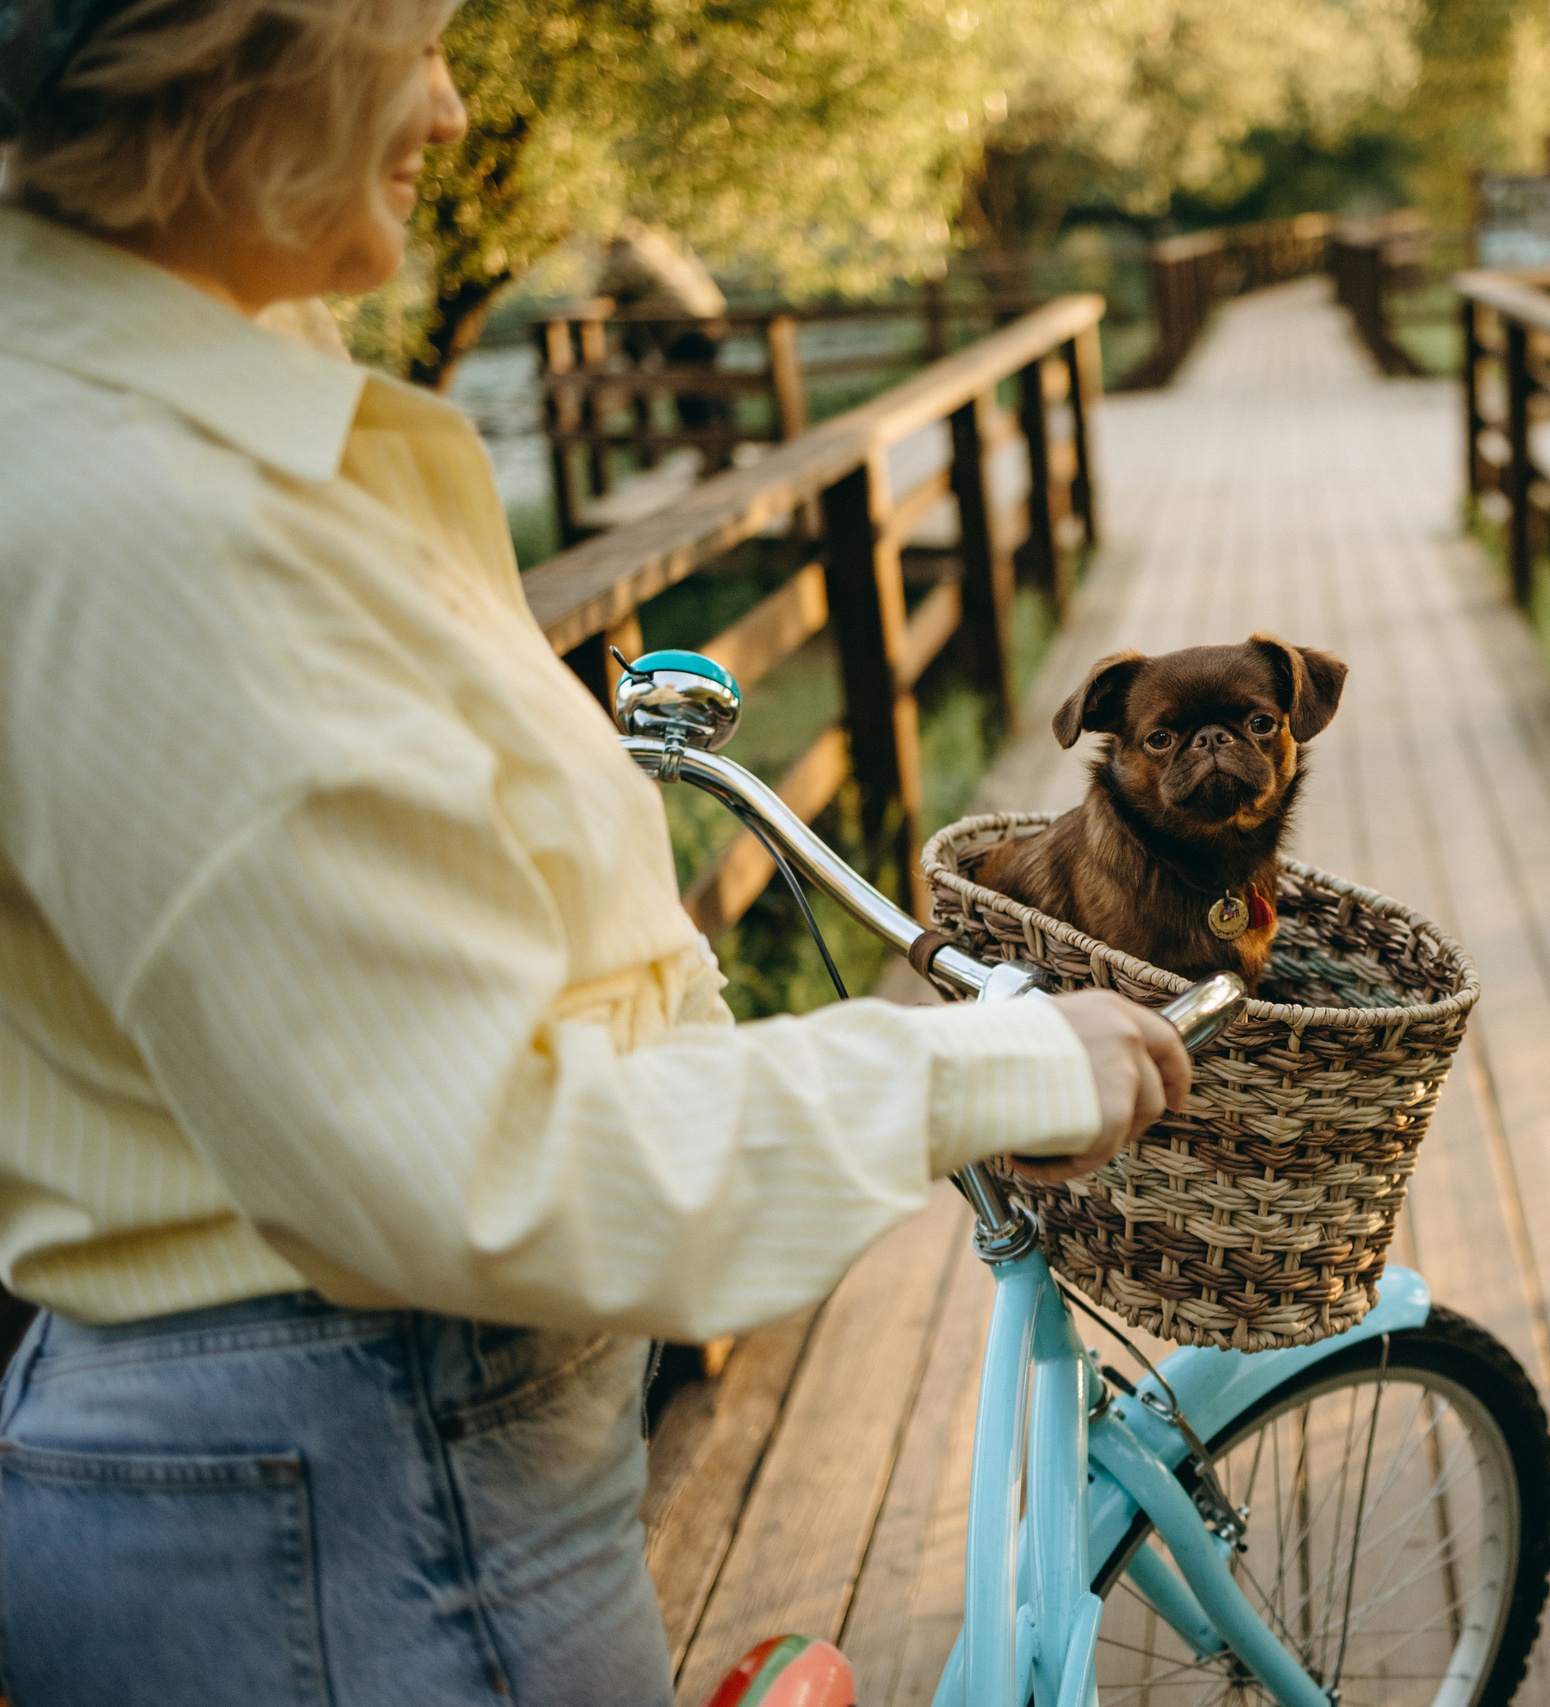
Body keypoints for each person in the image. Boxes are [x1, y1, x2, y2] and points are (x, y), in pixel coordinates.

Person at [0, 3, 1188, 1701]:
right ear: (232, 51)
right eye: (409, 39)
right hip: (373, 1504)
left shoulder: (180, 412)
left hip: (365, 1484)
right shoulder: (165, 520)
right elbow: (476, 1163)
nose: (452, 103)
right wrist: (961, 1074)